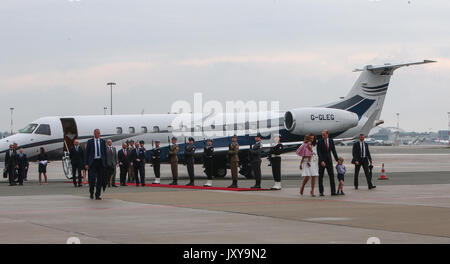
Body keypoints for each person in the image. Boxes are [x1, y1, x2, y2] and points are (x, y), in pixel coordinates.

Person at [85, 129, 107, 200]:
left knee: (100, 179)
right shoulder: (90, 142)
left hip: (100, 162)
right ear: (94, 134)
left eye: (99, 133)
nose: (99, 134)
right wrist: (86, 163)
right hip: (93, 162)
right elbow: (86, 153)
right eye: (98, 133)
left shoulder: (102, 141)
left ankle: (98, 194)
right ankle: (91, 192)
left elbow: (104, 153)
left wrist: (105, 163)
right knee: (92, 179)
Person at [316, 129, 339, 196]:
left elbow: (333, 151)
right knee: (321, 177)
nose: (323, 136)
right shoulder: (319, 141)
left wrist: (337, 160)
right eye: (322, 134)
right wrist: (321, 161)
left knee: (331, 176)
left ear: (327, 134)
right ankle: (321, 192)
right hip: (322, 162)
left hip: (329, 161)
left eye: (324, 134)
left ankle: (333, 191)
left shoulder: (331, 141)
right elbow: (319, 152)